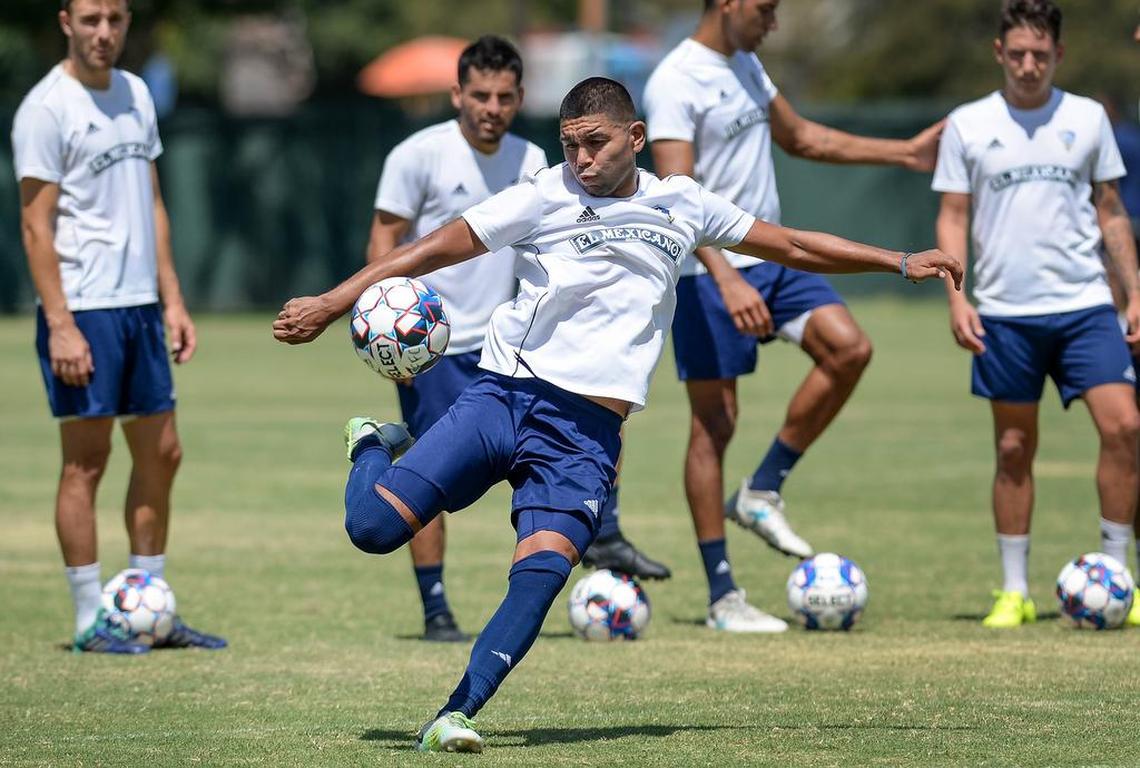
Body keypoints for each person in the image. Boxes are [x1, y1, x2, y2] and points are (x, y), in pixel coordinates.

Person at [274, 76, 959, 752]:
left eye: (595, 143)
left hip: (585, 438)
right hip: (504, 398)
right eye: (570, 145)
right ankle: (370, 443)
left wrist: (898, 260)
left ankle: (456, 715)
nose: (581, 160)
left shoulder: (681, 205)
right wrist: (334, 302)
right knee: (369, 529)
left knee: (539, 576)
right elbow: (430, 248)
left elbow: (794, 246)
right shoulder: (544, 195)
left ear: (635, 138)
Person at [635, 0, 943, 632]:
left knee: (850, 349)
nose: (773, 21)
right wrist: (725, 278)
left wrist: (903, 152)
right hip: (706, 275)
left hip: (773, 260)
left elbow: (803, 137)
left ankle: (761, 490)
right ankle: (723, 597)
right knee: (715, 425)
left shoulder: (746, 62)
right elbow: (675, 202)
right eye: (766, 8)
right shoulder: (674, 80)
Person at [12, 0, 226, 653]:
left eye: (115, 18)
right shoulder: (47, 108)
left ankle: (147, 608)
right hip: (84, 307)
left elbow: (153, 201)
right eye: (91, 19)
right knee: (87, 462)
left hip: (138, 306)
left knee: (163, 453)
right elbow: (34, 226)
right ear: (65, 22)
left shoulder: (135, 92)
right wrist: (61, 325)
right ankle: (88, 620)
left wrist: (173, 299)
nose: (104, 32)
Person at [933, 0, 1140, 628]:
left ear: (1059, 54)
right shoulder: (967, 124)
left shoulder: (1086, 118)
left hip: (1083, 307)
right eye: (1018, 54)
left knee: (1126, 427)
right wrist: (957, 296)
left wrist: (1133, 293)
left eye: (1041, 55)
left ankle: (1119, 575)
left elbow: (1111, 210)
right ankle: (1014, 590)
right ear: (1000, 52)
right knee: (1015, 446)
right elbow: (954, 216)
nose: (1029, 66)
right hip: (1004, 313)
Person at [366, 35, 549, 643]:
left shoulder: (534, 161)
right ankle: (435, 605)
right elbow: (385, 243)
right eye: (479, 95)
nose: (491, 107)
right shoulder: (418, 155)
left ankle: (573, 564)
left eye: (503, 97)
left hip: (509, 351)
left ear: (519, 98)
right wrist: (390, 343)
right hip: (432, 350)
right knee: (428, 477)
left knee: (537, 466)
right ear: (457, 94)